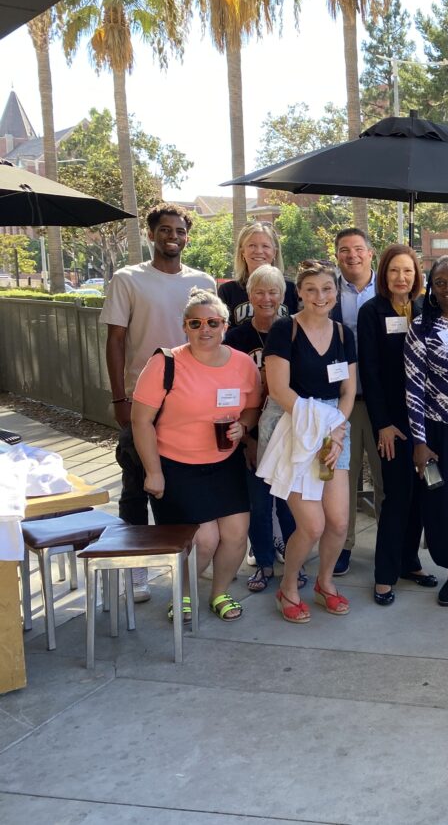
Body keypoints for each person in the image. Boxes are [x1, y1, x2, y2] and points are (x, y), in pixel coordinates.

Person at [101, 203, 215, 602]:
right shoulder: (128, 279)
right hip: (142, 402)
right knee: (136, 486)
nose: (173, 236)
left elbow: (211, 337)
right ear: (151, 235)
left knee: (183, 485)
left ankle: (191, 559)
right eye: (165, 229)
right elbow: (115, 340)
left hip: (192, 403)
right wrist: (119, 396)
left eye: (180, 230)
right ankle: (136, 568)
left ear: (187, 235)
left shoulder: (202, 281)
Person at [129, 288, 260, 623]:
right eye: (196, 322)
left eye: (213, 322)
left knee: (235, 535)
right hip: (176, 466)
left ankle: (219, 593)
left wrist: (242, 428)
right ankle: (182, 593)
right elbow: (140, 420)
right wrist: (153, 472)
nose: (205, 329)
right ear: (184, 326)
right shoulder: (165, 363)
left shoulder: (243, 364)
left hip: (223, 463)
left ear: (225, 326)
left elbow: (252, 408)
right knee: (205, 539)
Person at [262, 259, 357, 622]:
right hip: (295, 427)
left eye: (328, 288)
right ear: (299, 292)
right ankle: (288, 587)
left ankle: (324, 583)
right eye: (312, 289)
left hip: (335, 428)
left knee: (338, 522)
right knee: (312, 525)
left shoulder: (345, 333)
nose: (321, 296)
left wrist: (337, 426)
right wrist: (323, 425)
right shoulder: (284, 330)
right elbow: (279, 390)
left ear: (336, 291)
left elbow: (348, 390)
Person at [358, 244, 438, 605]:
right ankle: (385, 575)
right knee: (396, 496)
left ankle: (410, 563)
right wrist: (383, 425)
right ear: (383, 274)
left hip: (426, 420)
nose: (401, 278)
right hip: (394, 423)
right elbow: (370, 373)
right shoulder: (371, 313)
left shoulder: (426, 310)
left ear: (417, 275)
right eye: (394, 271)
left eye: (407, 271)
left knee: (423, 494)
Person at [223, 264, 300, 594]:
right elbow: (229, 389)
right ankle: (265, 562)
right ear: (249, 296)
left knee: (287, 501)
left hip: (289, 427)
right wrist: (248, 438)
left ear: (283, 296)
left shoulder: (293, 332)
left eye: (273, 292)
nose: (266, 299)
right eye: (259, 292)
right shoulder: (237, 338)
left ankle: (292, 566)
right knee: (258, 501)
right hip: (252, 428)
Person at [405, 257, 448, 608]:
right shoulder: (422, 328)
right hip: (442, 433)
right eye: (439, 282)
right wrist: (420, 442)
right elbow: (413, 388)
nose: (447, 288)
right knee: (445, 505)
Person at [330, 227, 382, 575]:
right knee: (341, 481)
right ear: (337, 256)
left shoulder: (391, 288)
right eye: (345, 250)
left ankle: (389, 546)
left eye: (358, 249)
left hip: (383, 405)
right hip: (339, 403)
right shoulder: (327, 291)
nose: (352, 255)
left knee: (385, 480)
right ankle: (343, 545)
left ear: (370, 253)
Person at [217, 222, 301, 327]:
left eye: (265, 246)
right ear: (242, 252)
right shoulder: (228, 291)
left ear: (274, 252)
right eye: (252, 245)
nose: (259, 251)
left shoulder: (291, 289)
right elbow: (221, 332)